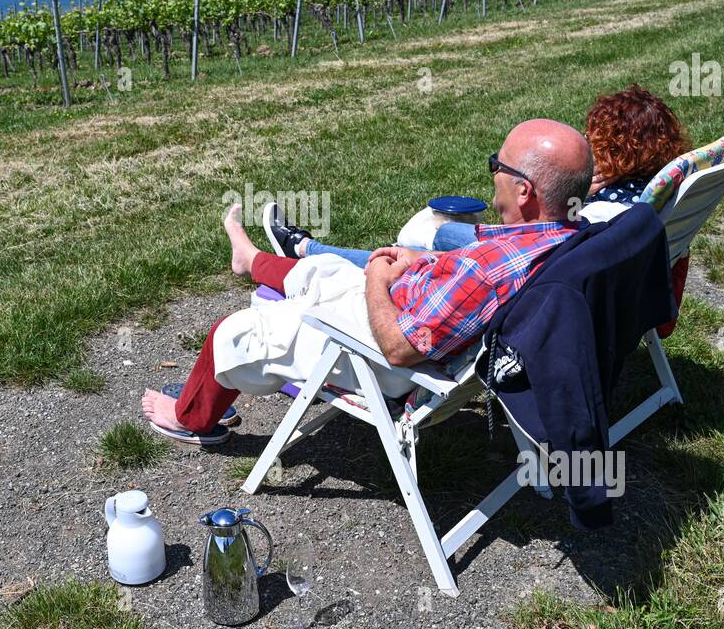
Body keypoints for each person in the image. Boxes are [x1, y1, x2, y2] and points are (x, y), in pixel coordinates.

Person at [140, 119, 592, 445]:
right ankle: (251, 258)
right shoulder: (568, 237)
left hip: (387, 361)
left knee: (234, 332)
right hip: (421, 312)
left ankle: (191, 419)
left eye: (499, 165)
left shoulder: (485, 273)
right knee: (323, 270)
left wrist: (378, 279)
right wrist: (426, 262)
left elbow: (398, 348)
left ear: (524, 191)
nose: (492, 171)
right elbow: (477, 275)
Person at [264, 84, 693, 265]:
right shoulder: (641, 199)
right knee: (420, 246)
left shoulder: (603, 215)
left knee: (427, 239)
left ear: (619, 146)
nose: (584, 137)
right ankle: (310, 249)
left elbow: (550, 242)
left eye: (594, 135)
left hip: (522, 272)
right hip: (561, 277)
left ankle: (305, 249)